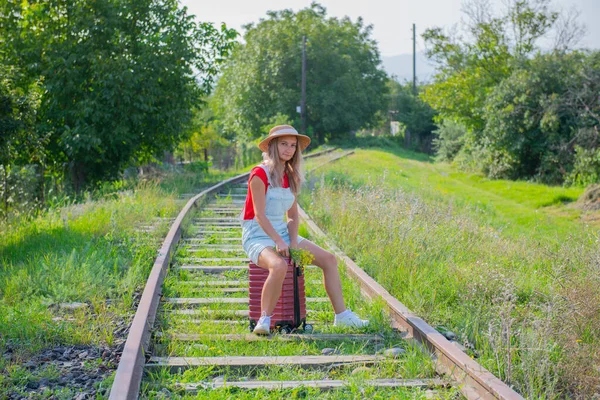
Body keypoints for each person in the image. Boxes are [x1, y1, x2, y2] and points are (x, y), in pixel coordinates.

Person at [241, 124, 369, 335]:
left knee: (329, 259)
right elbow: (259, 215)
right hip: (257, 233)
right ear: (272, 145)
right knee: (279, 265)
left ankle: (343, 316)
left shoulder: (291, 175)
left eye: (293, 145)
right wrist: (279, 243)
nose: (289, 149)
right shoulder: (259, 174)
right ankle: (264, 320)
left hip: (281, 232)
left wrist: (291, 242)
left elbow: (292, 216)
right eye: (283, 144)